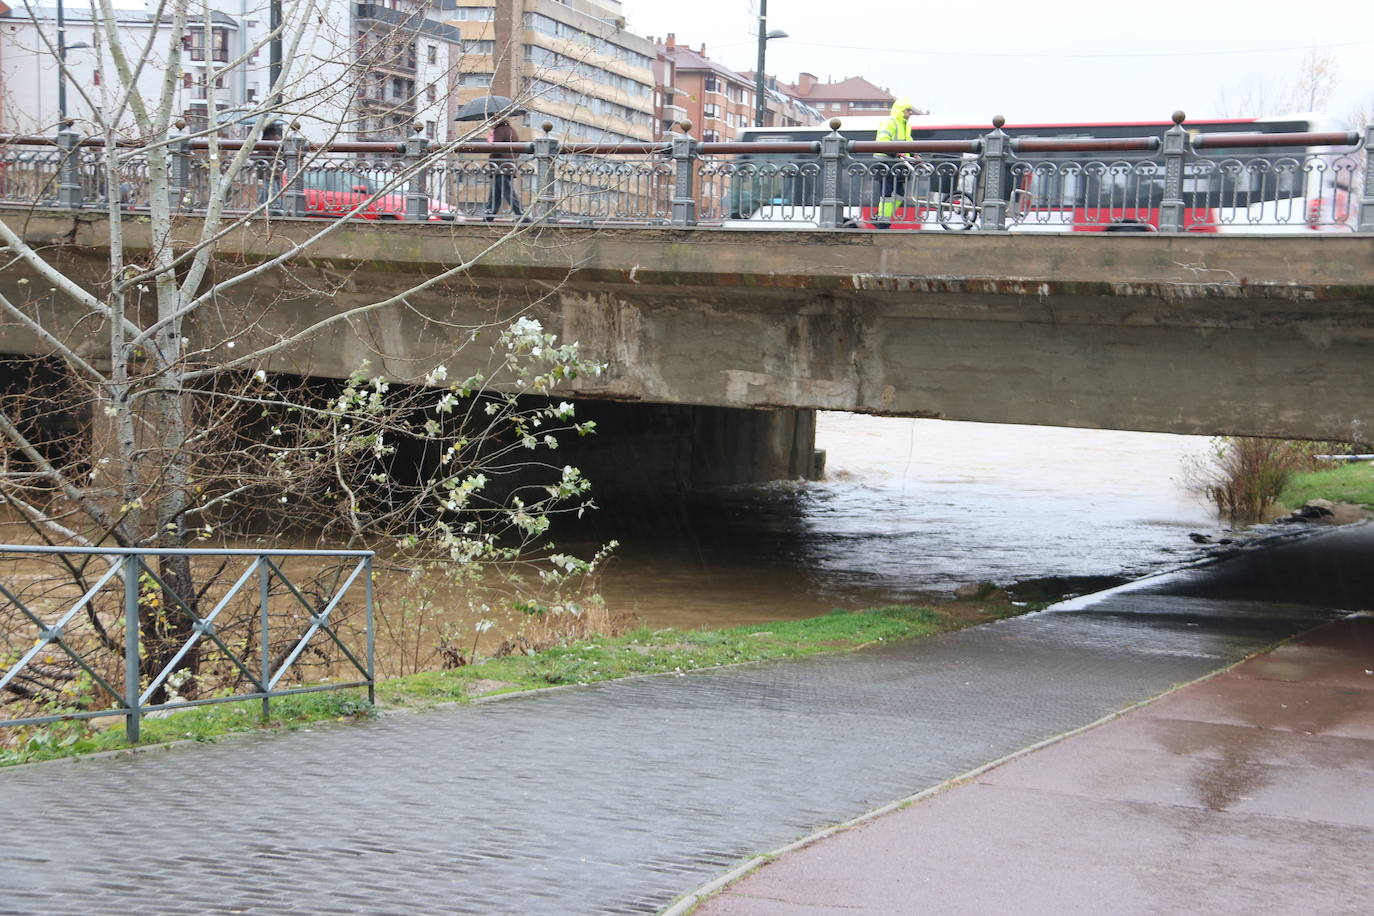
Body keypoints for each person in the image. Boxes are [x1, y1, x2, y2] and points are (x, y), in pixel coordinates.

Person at [872, 97, 919, 230]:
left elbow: (909, 143)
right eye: (908, 110)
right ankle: (882, 220)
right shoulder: (890, 122)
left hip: (897, 165)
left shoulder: (906, 125)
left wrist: (915, 154)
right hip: (884, 163)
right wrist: (896, 152)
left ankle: (881, 217)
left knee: (899, 194)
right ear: (900, 110)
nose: (910, 113)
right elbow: (882, 141)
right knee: (887, 193)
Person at [484, 116, 524, 222]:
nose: (491, 122)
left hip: (500, 166)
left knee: (506, 191)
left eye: (492, 120)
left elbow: (495, 148)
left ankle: (520, 215)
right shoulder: (511, 130)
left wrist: (491, 138)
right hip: (508, 166)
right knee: (496, 193)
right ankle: (489, 216)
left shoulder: (499, 130)